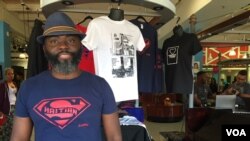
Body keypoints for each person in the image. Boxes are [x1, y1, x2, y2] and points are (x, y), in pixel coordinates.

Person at [10, 12, 122, 141]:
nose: (63, 46)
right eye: (53, 41)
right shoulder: (28, 88)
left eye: (71, 40)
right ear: (44, 49)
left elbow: (114, 137)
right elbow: (18, 138)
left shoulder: (101, 85)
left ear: (80, 46)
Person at [0, 67, 18, 140]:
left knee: (14, 126)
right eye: (9, 74)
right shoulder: (2, 85)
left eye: (12, 73)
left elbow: (16, 95)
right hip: (7, 108)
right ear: (5, 75)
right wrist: (0, 111)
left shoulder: (14, 83)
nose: (11, 75)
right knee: (7, 126)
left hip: (15, 107)